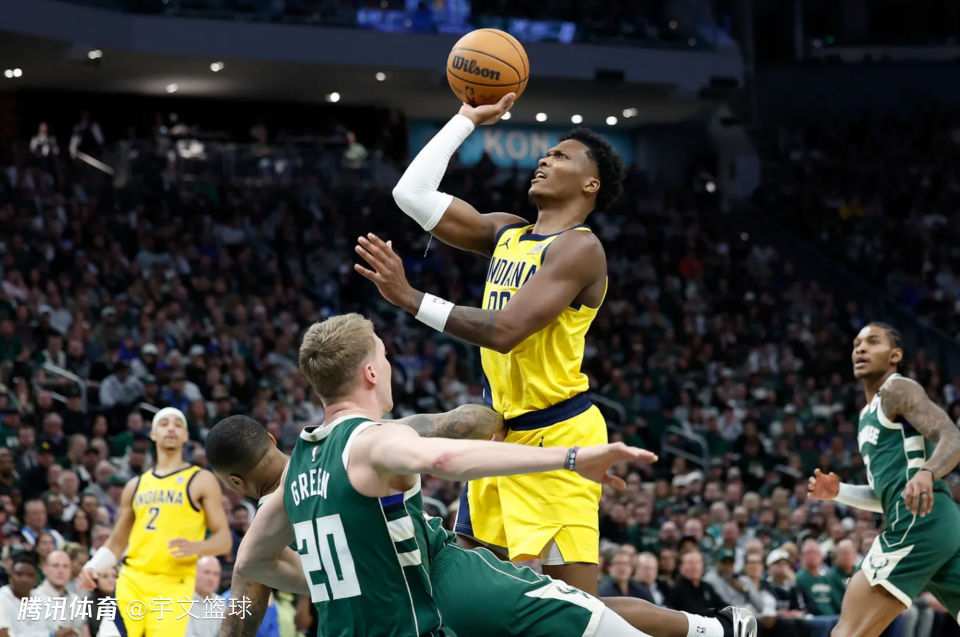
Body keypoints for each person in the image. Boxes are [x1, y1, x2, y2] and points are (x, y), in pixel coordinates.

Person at [211, 314, 757, 637]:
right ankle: (715, 630)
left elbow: (251, 562)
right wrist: (571, 458)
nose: (392, 364)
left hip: (379, 617)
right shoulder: (375, 439)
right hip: (433, 592)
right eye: (386, 355)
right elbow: (445, 460)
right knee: (594, 619)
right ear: (372, 371)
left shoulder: (296, 474)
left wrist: (338, 579)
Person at [361, 91, 624, 597]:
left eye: (561, 156)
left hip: (558, 435)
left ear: (590, 184)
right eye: (546, 154)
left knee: (575, 612)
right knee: (468, 595)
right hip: (500, 434)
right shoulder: (507, 233)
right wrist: (465, 120)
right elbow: (411, 194)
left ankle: (705, 628)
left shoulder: (580, 247)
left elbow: (506, 332)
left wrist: (412, 299)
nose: (545, 160)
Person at [808, 322, 960, 637]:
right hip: (937, 525)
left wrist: (928, 471)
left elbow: (952, 436)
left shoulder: (897, 389)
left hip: (919, 521)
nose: (861, 349)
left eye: (873, 342)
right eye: (856, 344)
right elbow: (890, 495)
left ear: (895, 355)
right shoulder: (866, 417)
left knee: (849, 631)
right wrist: (839, 492)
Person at [77, 407, 233, 637]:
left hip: (173, 586)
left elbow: (224, 540)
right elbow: (117, 541)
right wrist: (93, 565)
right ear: (153, 433)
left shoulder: (201, 480)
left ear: (185, 436)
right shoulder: (135, 485)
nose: (171, 428)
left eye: (178, 424)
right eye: (164, 423)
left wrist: (196, 547)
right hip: (133, 580)